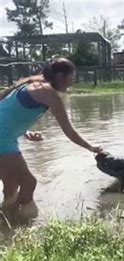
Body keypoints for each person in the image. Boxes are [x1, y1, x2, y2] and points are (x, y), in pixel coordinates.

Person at [0, 58, 103, 216]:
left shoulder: (34, 83)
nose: (72, 82)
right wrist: (91, 147)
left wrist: (26, 133)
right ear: (61, 76)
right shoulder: (48, 93)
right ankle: (14, 220)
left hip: (5, 136)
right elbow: (69, 131)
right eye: (71, 78)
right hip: (3, 140)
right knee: (29, 183)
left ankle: (6, 225)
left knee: (11, 185)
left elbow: (9, 113)